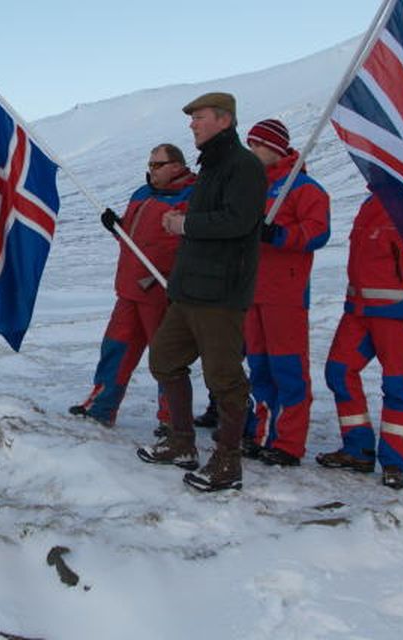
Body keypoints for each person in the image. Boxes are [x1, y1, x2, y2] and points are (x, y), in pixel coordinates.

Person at [136, 92, 267, 493]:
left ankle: (228, 462)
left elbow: (239, 220)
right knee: (164, 359)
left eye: (199, 117)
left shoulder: (243, 165)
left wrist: (185, 224)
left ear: (223, 121)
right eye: (192, 118)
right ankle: (181, 443)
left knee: (224, 378)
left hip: (221, 292)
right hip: (190, 289)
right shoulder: (211, 165)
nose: (192, 124)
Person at [69, 143, 196, 429]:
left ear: (177, 166)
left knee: (165, 358)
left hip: (160, 290)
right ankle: (101, 406)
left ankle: (171, 420)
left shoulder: (192, 196)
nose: (151, 170)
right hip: (129, 289)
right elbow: (134, 240)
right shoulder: (142, 194)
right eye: (150, 164)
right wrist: (118, 227)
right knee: (115, 348)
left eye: (158, 165)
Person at [316, 192, 403, 490]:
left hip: (397, 309)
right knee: (338, 372)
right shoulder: (370, 202)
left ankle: (394, 462)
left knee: (396, 384)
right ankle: (358, 449)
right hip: (359, 309)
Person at [243, 119, 331, 466]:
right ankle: (263, 433)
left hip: (286, 294)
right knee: (260, 367)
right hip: (253, 291)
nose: (251, 153)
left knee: (288, 369)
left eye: (256, 146)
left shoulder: (305, 188)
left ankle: (289, 443)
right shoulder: (253, 188)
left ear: (275, 148)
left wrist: (279, 235)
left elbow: (318, 233)